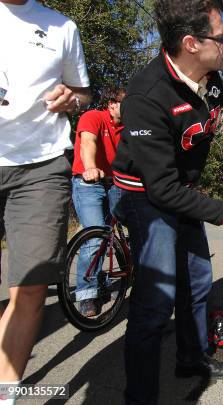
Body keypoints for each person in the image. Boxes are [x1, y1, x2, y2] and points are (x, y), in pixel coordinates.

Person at [110, 1, 223, 403]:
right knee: (155, 302)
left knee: (199, 280)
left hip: (179, 192)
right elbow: (162, 191)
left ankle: (191, 359)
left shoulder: (207, 77)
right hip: (145, 197)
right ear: (191, 43)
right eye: (222, 38)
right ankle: (140, 396)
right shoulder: (147, 96)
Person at [0, 0, 91, 402]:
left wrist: (71, 98)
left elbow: (83, 92)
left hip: (41, 165)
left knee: (32, 287)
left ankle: (5, 391)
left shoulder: (60, 27)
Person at [71, 87, 125, 317]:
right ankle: (87, 294)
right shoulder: (93, 116)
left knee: (114, 234)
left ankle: (108, 277)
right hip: (88, 182)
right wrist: (91, 167)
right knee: (94, 237)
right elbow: (88, 143)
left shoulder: (129, 128)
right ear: (112, 104)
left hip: (114, 182)